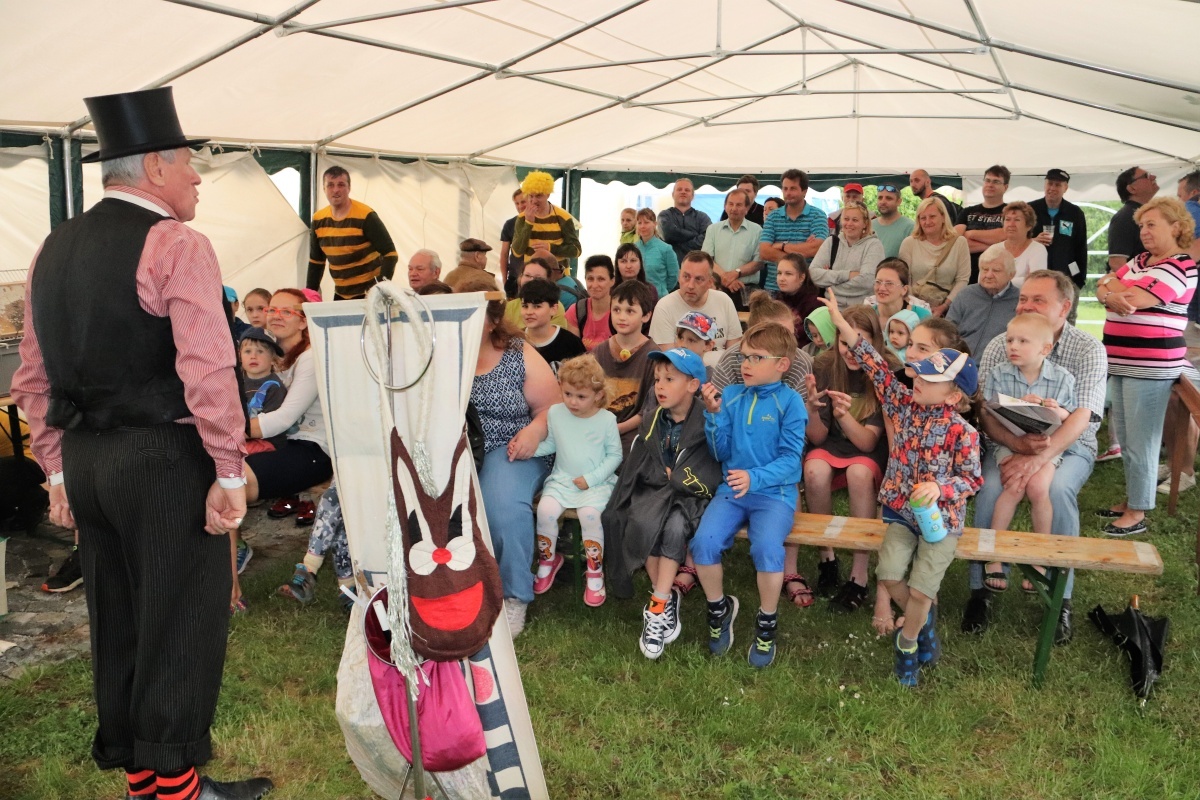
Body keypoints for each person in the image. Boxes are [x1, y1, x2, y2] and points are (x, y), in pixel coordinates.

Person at [11, 86, 270, 800]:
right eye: (187, 162)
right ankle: (178, 792)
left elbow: (31, 377)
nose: (196, 176)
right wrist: (228, 471)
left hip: (88, 463)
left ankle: (144, 783)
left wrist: (57, 473)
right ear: (154, 166)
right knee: (180, 623)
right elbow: (207, 368)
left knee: (120, 619)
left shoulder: (51, 248)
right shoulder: (177, 243)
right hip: (161, 458)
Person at [820, 291, 982, 687]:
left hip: (942, 522)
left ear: (954, 395)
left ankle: (907, 644)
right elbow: (876, 366)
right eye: (920, 373)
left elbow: (972, 479)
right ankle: (922, 623)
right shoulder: (901, 404)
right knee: (890, 575)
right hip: (900, 513)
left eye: (929, 378)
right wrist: (843, 326)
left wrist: (940, 488)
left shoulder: (964, 432)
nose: (918, 379)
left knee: (923, 588)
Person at [963, 271, 1108, 643]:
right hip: (1010, 440)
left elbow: (1082, 415)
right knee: (991, 485)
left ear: (1065, 307)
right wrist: (1018, 446)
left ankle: (1060, 595)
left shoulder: (1088, 348)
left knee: (1057, 490)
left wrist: (1037, 458)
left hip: (1070, 444)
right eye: (1023, 299)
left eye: (1037, 300)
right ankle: (981, 588)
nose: (1025, 306)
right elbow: (985, 411)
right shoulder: (1003, 343)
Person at [692, 322, 807, 669]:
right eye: (743, 357)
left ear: (782, 364)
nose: (746, 364)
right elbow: (720, 452)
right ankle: (719, 609)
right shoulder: (731, 396)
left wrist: (755, 477)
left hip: (775, 494)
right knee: (703, 544)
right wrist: (714, 416)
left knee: (767, 549)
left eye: (756, 358)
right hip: (732, 490)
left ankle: (766, 622)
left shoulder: (791, 402)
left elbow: (791, 460)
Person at [603, 347, 720, 660]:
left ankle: (656, 607)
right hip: (656, 490)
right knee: (641, 523)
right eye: (657, 380)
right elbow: (644, 460)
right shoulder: (653, 419)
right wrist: (660, 475)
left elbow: (714, 461)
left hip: (691, 496)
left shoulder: (706, 418)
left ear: (693, 385)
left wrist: (678, 475)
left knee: (673, 528)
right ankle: (664, 598)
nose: (660, 386)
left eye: (670, 379)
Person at [460, 274, 560, 636]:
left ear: (491, 321)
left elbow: (552, 408)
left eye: (471, 315)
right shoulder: (443, 354)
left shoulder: (517, 352)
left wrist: (534, 430)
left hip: (515, 445)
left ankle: (515, 594)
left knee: (501, 506)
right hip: (459, 449)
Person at [1095, 197, 1197, 537]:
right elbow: (1102, 285)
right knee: (1126, 437)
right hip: (1122, 361)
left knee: (1142, 440)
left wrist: (1112, 289)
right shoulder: (1140, 260)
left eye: (1152, 224)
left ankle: (1138, 511)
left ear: (1176, 227)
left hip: (1151, 365)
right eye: (1141, 225)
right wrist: (1110, 291)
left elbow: (1136, 300)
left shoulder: (1181, 266)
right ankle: (1133, 499)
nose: (1144, 231)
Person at [805, 306, 895, 612]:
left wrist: (844, 416)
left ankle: (859, 574)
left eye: (860, 342)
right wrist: (812, 410)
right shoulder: (825, 364)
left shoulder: (885, 368)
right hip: (834, 442)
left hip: (870, 447)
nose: (851, 351)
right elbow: (818, 438)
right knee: (814, 470)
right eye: (845, 342)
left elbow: (868, 441)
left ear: (875, 342)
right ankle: (826, 557)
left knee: (859, 473)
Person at [980, 314, 1076, 593]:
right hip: (1010, 443)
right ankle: (994, 556)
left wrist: (1054, 409)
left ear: (1045, 348)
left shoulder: (1062, 378)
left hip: (1046, 446)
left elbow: (1069, 415)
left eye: (1023, 341)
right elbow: (989, 411)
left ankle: (1039, 558)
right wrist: (1017, 404)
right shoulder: (999, 373)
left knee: (1038, 488)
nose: (1013, 346)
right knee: (1014, 486)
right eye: (1010, 340)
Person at [532, 355, 622, 607]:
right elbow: (552, 444)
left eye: (581, 396)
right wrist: (529, 450)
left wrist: (591, 479)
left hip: (596, 484)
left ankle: (594, 571)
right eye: (568, 394)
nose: (572, 401)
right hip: (562, 480)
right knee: (546, 511)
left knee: (589, 515)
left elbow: (615, 456)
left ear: (597, 395)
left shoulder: (606, 420)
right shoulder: (556, 413)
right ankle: (548, 560)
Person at [245, 288, 333, 527]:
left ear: (303, 322)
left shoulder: (310, 358)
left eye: (286, 312)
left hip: (310, 447)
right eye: (272, 310)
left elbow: (285, 418)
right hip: (277, 442)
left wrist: (235, 430)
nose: (276, 316)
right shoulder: (268, 356)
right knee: (217, 468)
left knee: (234, 478)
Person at [307, 165, 397, 300]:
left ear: (349, 188)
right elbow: (316, 262)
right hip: (341, 293)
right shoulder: (318, 219)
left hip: (369, 293)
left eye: (341, 185)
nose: (335, 190)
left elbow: (390, 254)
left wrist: (379, 289)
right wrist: (309, 295)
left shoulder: (366, 215)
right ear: (324, 189)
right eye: (330, 185)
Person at [591, 279, 658, 453]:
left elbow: (649, 410)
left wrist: (616, 429)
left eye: (630, 311)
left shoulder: (654, 356)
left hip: (634, 434)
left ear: (646, 316)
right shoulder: (598, 352)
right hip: (596, 428)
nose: (621, 317)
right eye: (616, 310)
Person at [648, 252, 742, 362]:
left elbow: (734, 354)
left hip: (723, 370)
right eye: (686, 277)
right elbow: (668, 361)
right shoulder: (664, 307)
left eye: (699, 279)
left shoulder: (724, 301)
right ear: (679, 276)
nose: (690, 285)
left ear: (710, 282)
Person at [759, 169, 829, 293]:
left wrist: (782, 246)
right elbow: (764, 251)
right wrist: (801, 254)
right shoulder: (772, 216)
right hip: (774, 288)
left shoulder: (818, 215)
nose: (788, 193)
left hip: (806, 289)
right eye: (785, 189)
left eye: (793, 188)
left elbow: (816, 248)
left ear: (804, 191)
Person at [1029, 169, 1089, 310]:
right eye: (1050, 183)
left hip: (1066, 279)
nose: (1052, 188)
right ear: (1044, 185)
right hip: (1035, 277)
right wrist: (1033, 241)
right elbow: (1017, 240)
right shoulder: (1030, 209)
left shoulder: (1075, 213)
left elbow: (1081, 247)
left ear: (1065, 188)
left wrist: (1079, 280)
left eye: (1057, 185)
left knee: (1065, 317)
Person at [900, 197, 970, 317]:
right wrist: (917, 308)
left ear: (943, 217)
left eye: (932, 216)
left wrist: (945, 306)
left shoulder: (959, 243)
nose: (927, 222)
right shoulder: (909, 243)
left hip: (948, 311)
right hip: (913, 310)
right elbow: (904, 279)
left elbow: (962, 280)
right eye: (923, 218)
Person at [947, 243, 1020, 357]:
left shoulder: (1020, 301)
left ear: (1011, 275)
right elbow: (947, 330)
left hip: (996, 363)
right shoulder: (966, 294)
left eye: (996, 270)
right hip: (958, 359)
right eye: (985, 269)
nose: (988, 275)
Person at [808, 202, 885, 309]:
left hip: (860, 310)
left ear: (865, 223)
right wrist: (848, 275)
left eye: (855, 220)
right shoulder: (831, 242)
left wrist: (830, 282)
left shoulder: (874, 245)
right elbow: (813, 274)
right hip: (830, 307)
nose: (849, 223)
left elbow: (867, 281)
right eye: (846, 219)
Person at [511, 171, 581, 274]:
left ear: (548, 195)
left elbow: (576, 250)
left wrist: (550, 248)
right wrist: (528, 223)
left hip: (558, 276)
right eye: (531, 196)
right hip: (533, 276)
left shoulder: (563, 217)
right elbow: (517, 252)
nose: (534, 200)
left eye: (538, 196)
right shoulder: (522, 218)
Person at [705, 188, 764, 309]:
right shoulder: (713, 229)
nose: (734, 208)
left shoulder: (757, 230)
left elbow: (759, 262)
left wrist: (736, 273)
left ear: (747, 208)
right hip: (717, 288)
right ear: (725, 206)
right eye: (730, 204)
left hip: (746, 290)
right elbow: (707, 259)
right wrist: (726, 278)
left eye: (739, 205)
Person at [954, 165, 1010, 282]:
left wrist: (970, 234)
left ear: (1005, 187)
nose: (990, 185)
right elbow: (956, 242)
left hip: (998, 278)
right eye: (987, 180)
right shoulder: (967, 212)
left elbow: (1006, 237)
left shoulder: (1010, 212)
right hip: (967, 277)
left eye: (996, 181)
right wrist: (997, 245)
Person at [520, 278, 586, 375]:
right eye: (525, 306)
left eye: (537, 306)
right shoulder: (514, 341)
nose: (529, 312)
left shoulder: (571, 343)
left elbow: (584, 378)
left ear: (553, 309)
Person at [238, 327, 288, 454]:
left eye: (260, 351)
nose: (253, 356)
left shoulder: (274, 386)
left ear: (273, 359)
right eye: (247, 351)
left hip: (267, 440)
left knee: (233, 455)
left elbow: (271, 425)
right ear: (240, 357)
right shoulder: (237, 382)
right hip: (242, 436)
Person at [1108, 167, 1158, 270]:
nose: (1153, 177)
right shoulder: (1124, 218)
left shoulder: (1145, 213)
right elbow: (1117, 263)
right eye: (1146, 176)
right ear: (1132, 189)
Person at [863, 258, 931, 331]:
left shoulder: (922, 316)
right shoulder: (866, 316)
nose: (881, 288)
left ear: (904, 290)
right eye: (878, 282)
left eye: (889, 283)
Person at [504, 255, 569, 331]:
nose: (531, 280)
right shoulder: (510, 306)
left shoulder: (554, 307)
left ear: (548, 281)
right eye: (527, 275)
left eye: (538, 278)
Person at [565, 255, 615, 349]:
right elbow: (574, 351)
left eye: (601, 279)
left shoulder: (621, 312)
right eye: (590, 279)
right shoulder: (576, 311)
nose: (594, 285)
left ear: (612, 281)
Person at [659, 178, 712, 266]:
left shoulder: (702, 218)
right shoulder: (665, 215)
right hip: (670, 267)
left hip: (697, 267)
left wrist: (676, 246)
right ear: (673, 194)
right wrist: (695, 235)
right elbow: (668, 234)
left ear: (693, 195)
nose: (683, 192)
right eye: (679, 189)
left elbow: (707, 239)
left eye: (687, 190)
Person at [774, 254, 823, 348]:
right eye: (779, 273)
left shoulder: (815, 304)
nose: (781, 278)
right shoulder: (778, 300)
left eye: (788, 274)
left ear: (802, 277)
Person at [634, 208, 680, 298]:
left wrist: (661, 290)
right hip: (637, 297)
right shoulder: (634, 248)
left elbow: (673, 276)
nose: (642, 226)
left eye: (646, 222)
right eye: (639, 223)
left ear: (655, 224)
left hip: (659, 298)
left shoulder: (666, 249)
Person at [1001, 201, 1048, 287]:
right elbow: (982, 280)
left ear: (1029, 226)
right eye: (1007, 219)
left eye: (1017, 220)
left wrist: (1000, 281)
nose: (1011, 224)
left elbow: (1036, 281)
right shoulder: (994, 249)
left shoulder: (1038, 249)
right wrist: (1024, 279)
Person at [613, 242, 659, 323]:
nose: (628, 266)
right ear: (617, 265)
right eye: (623, 261)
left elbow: (654, 321)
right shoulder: (611, 291)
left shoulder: (650, 290)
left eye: (633, 261)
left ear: (640, 263)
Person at [873, 183, 915, 259]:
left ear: (899, 201)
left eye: (888, 198)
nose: (883, 202)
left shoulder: (910, 227)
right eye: (880, 198)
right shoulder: (869, 225)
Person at [499, 188, 526, 297]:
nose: (520, 206)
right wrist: (505, 280)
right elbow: (504, 254)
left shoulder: (541, 222)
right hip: (514, 277)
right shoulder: (510, 224)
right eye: (517, 203)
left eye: (523, 202)